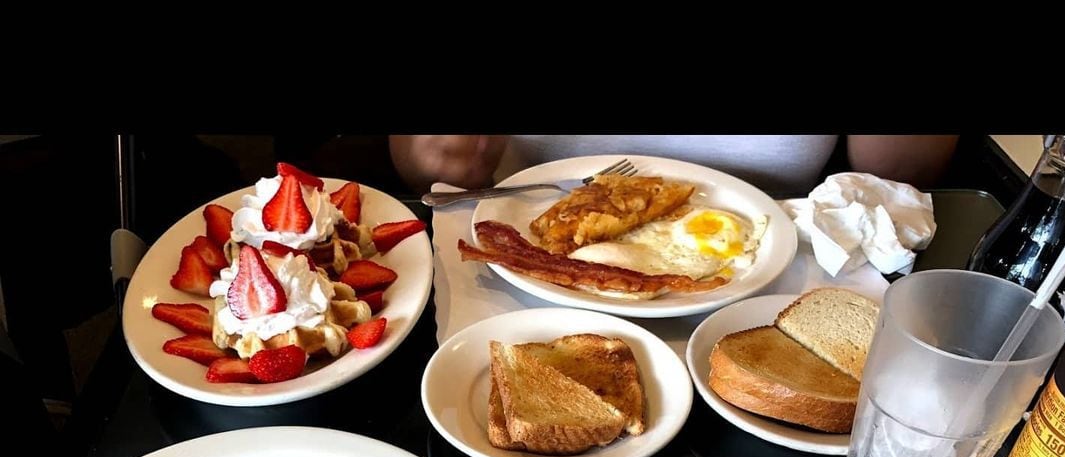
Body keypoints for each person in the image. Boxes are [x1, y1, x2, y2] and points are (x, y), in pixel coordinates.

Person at [389, 134, 959, 195]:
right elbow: (428, 172)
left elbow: (897, 179)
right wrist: (444, 156)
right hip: (521, 278)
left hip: (776, 283)